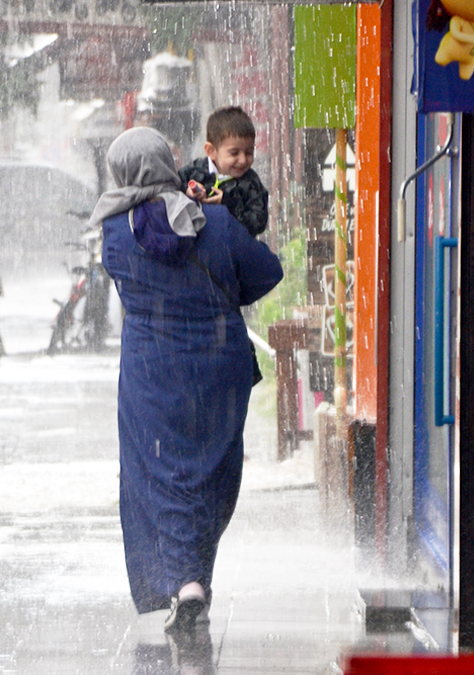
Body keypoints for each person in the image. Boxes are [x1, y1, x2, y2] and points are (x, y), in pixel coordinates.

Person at [90, 127, 283, 634]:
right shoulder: (213, 220)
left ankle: (184, 582)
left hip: (152, 369)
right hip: (219, 366)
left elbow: (127, 281)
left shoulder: (115, 230)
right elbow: (267, 272)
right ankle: (193, 579)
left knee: (160, 473)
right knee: (212, 470)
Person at [178, 106, 269, 238]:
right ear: (211, 151)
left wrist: (228, 204)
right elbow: (170, 190)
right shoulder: (195, 172)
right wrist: (188, 192)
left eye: (249, 152)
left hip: (232, 248)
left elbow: (258, 223)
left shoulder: (250, 182)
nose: (243, 160)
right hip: (197, 246)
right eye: (234, 153)